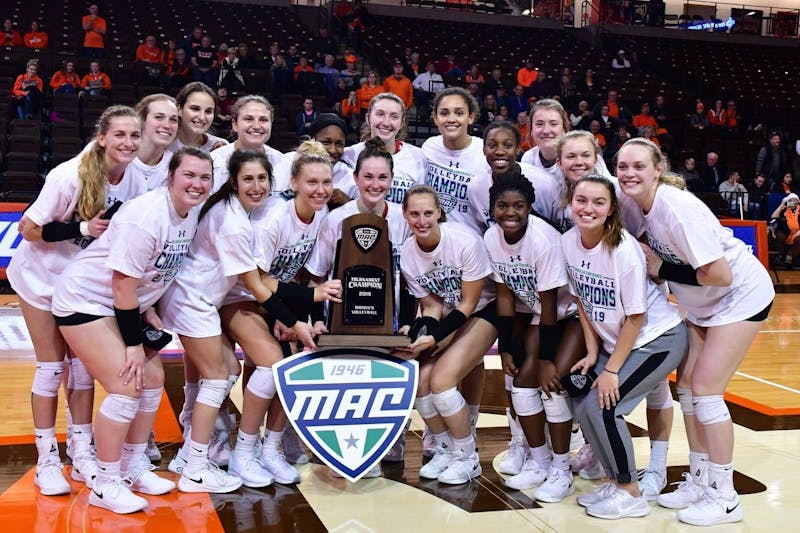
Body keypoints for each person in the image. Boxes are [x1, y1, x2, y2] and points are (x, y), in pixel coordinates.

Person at [616, 138, 774, 526]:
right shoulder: (638, 207)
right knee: (685, 386)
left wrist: (662, 270)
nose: (629, 173)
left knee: (705, 388)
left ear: (658, 169)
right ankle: (700, 479)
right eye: (622, 167)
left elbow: (721, 275)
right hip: (701, 303)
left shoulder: (677, 209)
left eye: (639, 166)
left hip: (739, 295)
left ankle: (725, 495)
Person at [51, 147, 213, 513]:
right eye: (189, 175)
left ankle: (132, 465)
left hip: (120, 305)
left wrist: (149, 308)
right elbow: (123, 284)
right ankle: (105, 484)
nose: (197, 183)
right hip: (85, 300)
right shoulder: (146, 216)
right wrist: (132, 343)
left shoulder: (189, 211)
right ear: (171, 176)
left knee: (153, 378)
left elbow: (152, 273)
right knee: (126, 384)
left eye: (205, 177)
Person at [7, 106, 145, 498]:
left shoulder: (135, 176)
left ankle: (81, 451)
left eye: (134, 136)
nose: (128, 143)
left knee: (83, 372)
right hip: (42, 279)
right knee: (52, 367)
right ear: (101, 137)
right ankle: (46, 458)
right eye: (119, 135)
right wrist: (82, 228)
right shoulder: (68, 175)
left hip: (84, 286)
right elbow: (28, 229)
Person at [564, 174, 687, 520]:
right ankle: (613, 480)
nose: (588, 208)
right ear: (571, 202)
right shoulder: (568, 242)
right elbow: (582, 302)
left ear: (611, 209)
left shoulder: (623, 250)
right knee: (584, 402)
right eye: (581, 200)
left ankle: (630, 492)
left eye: (598, 202)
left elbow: (636, 318)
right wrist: (591, 354)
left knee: (606, 407)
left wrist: (611, 370)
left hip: (657, 340)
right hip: (617, 343)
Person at [228, 142, 342, 477]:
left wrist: (292, 316)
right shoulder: (273, 219)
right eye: (311, 183)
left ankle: (271, 449)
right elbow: (259, 280)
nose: (319, 190)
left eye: (326, 183)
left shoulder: (320, 215)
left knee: (291, 370)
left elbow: (300, 273)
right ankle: (243, 453)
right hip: (240, 297)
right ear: (293, 183)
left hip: (275, 301)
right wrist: (292, 314)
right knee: (274, 367)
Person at [484, 172, 583, 502]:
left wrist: (546, 360)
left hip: (572, 316)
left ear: (530, 207)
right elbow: (506, 296)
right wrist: (507, 348)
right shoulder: (491, 238)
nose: (509, 212)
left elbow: (551, 303)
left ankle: (562, 470)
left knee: (550, 385)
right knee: (522, 387)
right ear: (491, 208)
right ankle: (539, 463)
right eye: (502, 206)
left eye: (518, 206)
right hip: (541, 317)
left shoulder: (544, 240)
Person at [399, 185, 497, 485]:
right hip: (451, 314)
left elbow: (469, 303)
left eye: (428, 213)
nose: (422, 220)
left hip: (485, 310)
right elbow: (431, 306)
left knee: (441, 382)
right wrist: (417, 335)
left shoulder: (464, 241)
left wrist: (436, 336)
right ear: (405, 215)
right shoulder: (407, 253)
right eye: (414, 214)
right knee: (421, 381)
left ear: (439, 212)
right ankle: (444, 448)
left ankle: (468, 457)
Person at [422, 87, 492, 236]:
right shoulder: (429, 147)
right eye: (444, 113)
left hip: (471, 243)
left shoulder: (485, 153)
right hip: (434, 239)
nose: (451, 119)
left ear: (471, 117)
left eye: (459, 113)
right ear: (435, 118)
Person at [342, 92, 426, 205]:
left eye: (394, 117)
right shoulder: (349, 155)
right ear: (368, 118)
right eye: (380, 114)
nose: (386, 123)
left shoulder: (418, 157)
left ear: (402, 123)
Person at [211, 95, 290, 196]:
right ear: (234, 124)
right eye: (248, 119)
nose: (256, 126)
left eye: (263, 120)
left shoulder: (283, 163)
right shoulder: (214, 162)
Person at [283, 113, 355, 206]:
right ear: (312, 140)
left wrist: (347, 201)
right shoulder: (287, 162)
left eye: (339, 144)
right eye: (326, 142)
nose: (333, 150)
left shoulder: (350, 177)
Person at [128, 94, 179, 191]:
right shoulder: (118, 155)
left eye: (173, 120)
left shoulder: (176, 166)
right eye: (159, 117)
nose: (167, 125)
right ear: (141, 121)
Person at [168, 82, 228, 152]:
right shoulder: (164, 143)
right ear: (179, 110)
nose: (202, 117)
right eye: (195, 109)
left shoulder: (221, 147)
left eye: (208, 111)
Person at [770, 193, 800, 268]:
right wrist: (782, 205)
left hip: (797, 233)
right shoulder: (783, 209)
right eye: (791, 200)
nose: (793, 202)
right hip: (783, 231)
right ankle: (780, 256)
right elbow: (773, 216)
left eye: (795, 201)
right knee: (780, 236)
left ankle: (789, 256)